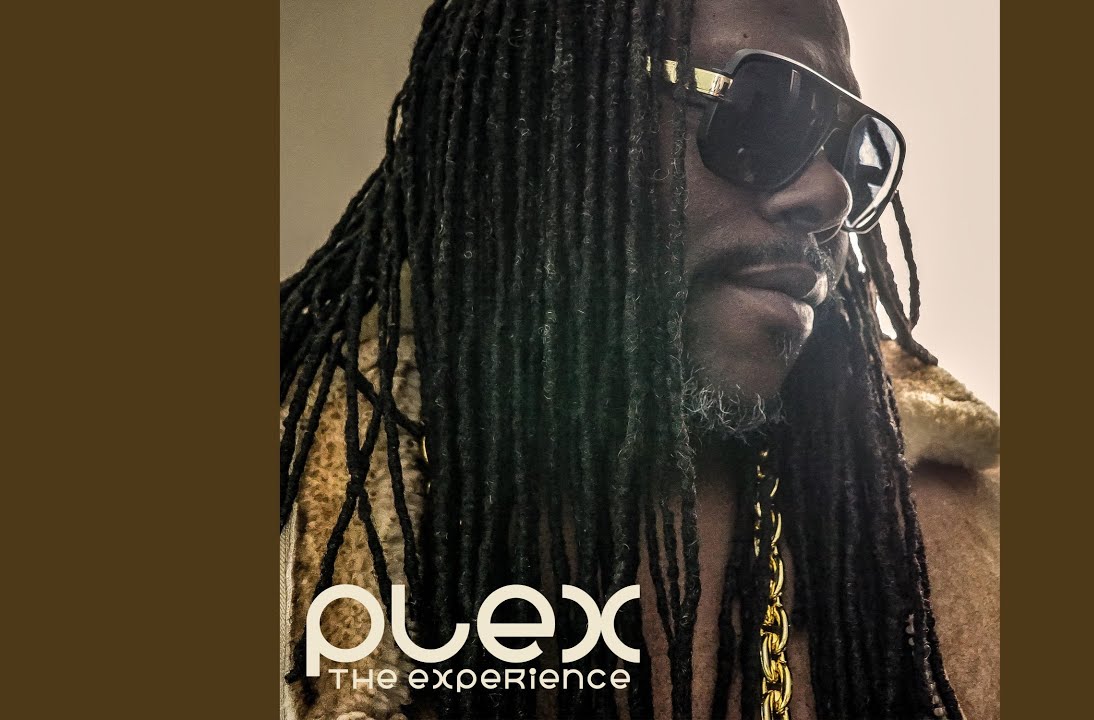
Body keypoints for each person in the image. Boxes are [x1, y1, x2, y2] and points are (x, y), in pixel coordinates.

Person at [279, 0, 1000, 718]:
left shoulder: (961, 536)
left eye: (856, 156)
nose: (831, 195)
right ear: (549, 120)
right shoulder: (298, 503)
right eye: (763, 109)